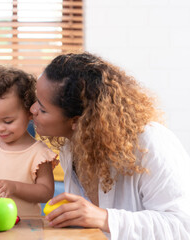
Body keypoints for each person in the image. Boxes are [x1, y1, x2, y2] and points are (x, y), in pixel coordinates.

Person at [30, 52, 190, 239]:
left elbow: (182, 225)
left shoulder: (150, 142)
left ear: (76, 120)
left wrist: (105, 218)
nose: (32, 110)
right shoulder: (72, 145)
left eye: (42, 108)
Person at [0, 65, 58, 217]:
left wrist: (15, 187)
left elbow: (46, 192)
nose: (0, 128)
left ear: (30, 113)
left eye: (8, 121)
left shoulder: (39, 153)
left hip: (27, 228)